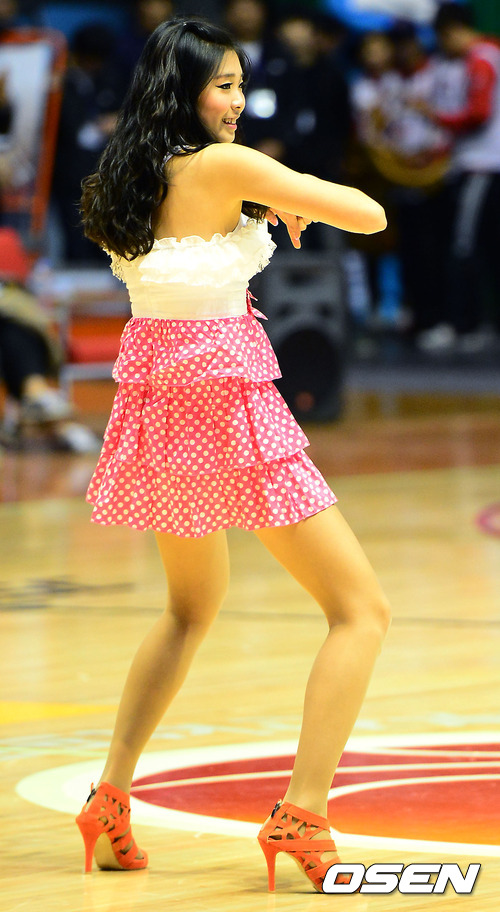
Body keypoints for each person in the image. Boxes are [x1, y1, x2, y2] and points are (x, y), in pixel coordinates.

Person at [76, 16, 390, 892]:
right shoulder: (225, 167)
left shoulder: (123, 177)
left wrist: (266, 196)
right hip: (228, 405)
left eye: (242, 85)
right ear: (183, 91)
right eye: (224, 85)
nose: (239, 101)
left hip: (159, 408)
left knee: (189, 610)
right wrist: (287, 191)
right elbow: (369, 214)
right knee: (360, 610)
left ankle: (110, 797)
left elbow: (187, 254)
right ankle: (304, 812)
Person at [419, 2, 500, 351]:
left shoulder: (482, 59)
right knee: (485, 248)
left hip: (483, 166)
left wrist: (436, 118)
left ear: (452, 31)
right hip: (477, 165)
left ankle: (465, 325)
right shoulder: (483, 56)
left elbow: (478, 114)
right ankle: (478, 325)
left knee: (464, 247)